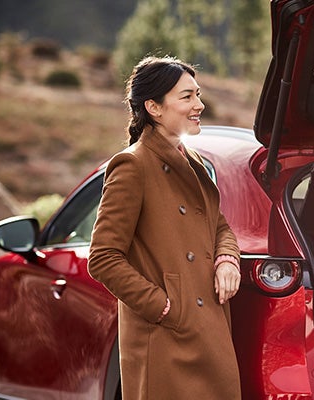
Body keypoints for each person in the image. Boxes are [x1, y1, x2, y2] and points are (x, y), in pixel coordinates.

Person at [88, 56, 242, 399]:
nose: (199, 105)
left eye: (197, 95)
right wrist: (164, 307)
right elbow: (103, 257)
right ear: (154, 107)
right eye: (187, 97)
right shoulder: (132, 165)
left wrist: (227, 259)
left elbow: (219, 225)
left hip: (207, 330)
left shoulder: (192, 159)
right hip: (166, 341)